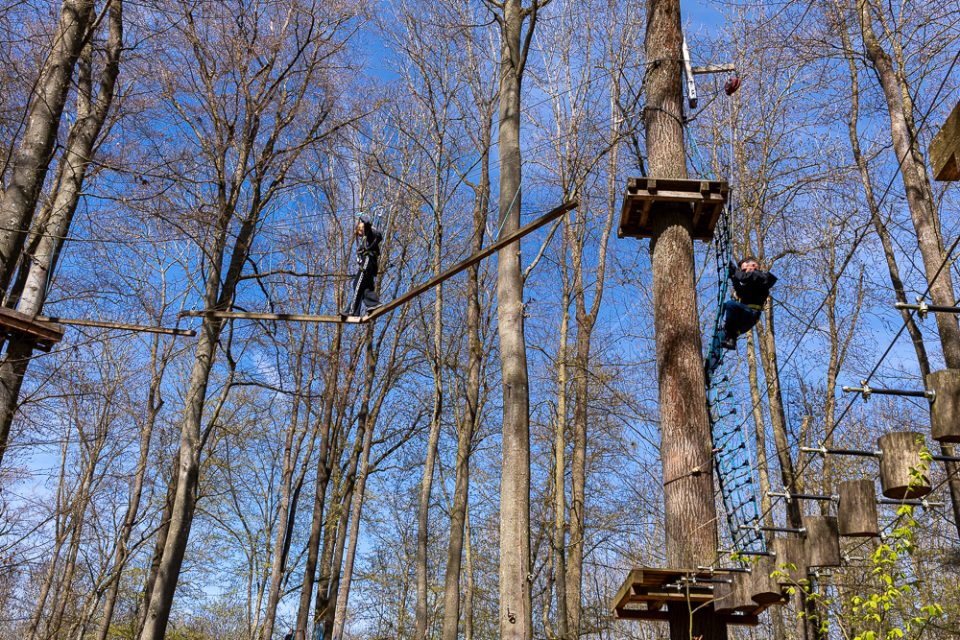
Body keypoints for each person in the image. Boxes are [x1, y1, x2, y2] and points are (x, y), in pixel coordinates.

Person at [720, 256, 776, 350]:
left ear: (754, 266)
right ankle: (730, 339)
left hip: (750, 314)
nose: (744, 272)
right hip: (742, 321)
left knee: (731, 304)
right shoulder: (749, 285)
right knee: (725, 307)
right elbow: (740, 291)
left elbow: (743, 277)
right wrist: (733, 277)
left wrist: (734, 271)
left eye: (745, 269)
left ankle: (731, 335)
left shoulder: (761, 276)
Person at [341, 213, 382, 318]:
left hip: (368, 261)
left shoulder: (369, 233)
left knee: (357, 284)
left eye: (359, 230)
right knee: (365, 287)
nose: (359, 234)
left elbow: (367, 223)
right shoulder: (367, 238)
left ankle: (352, 311)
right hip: (370, 263)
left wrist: (363, 217)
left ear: (362, 228)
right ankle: (373, 304)